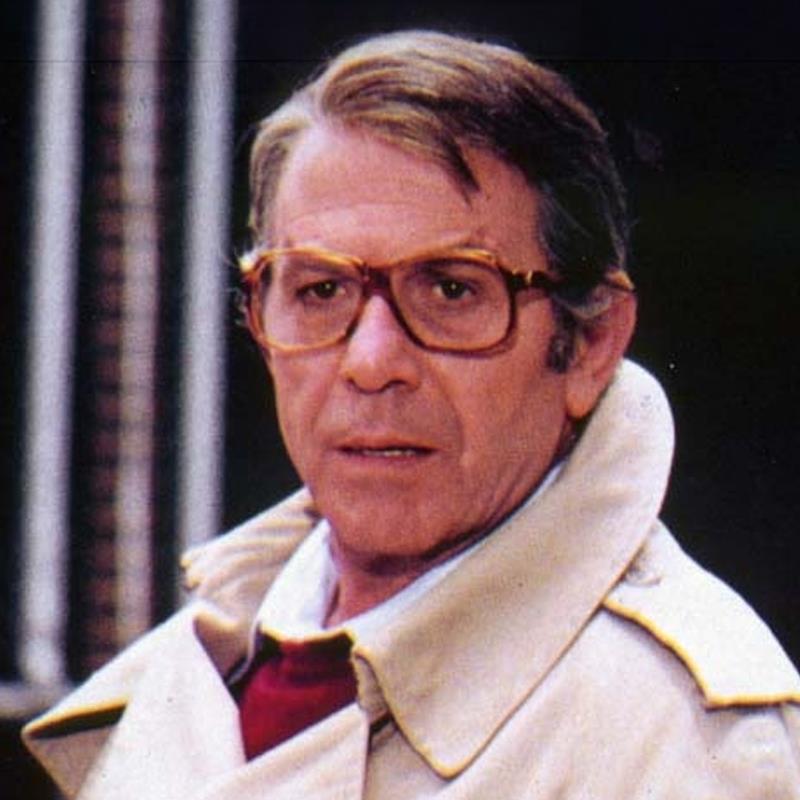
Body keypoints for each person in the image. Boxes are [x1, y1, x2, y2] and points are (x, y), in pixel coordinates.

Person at [24, 30, 800, 799]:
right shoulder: (210, 658)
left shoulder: (680, 737)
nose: (371, 362)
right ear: (259, 322)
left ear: (590, 344)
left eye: (452, 289)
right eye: (320, 290)